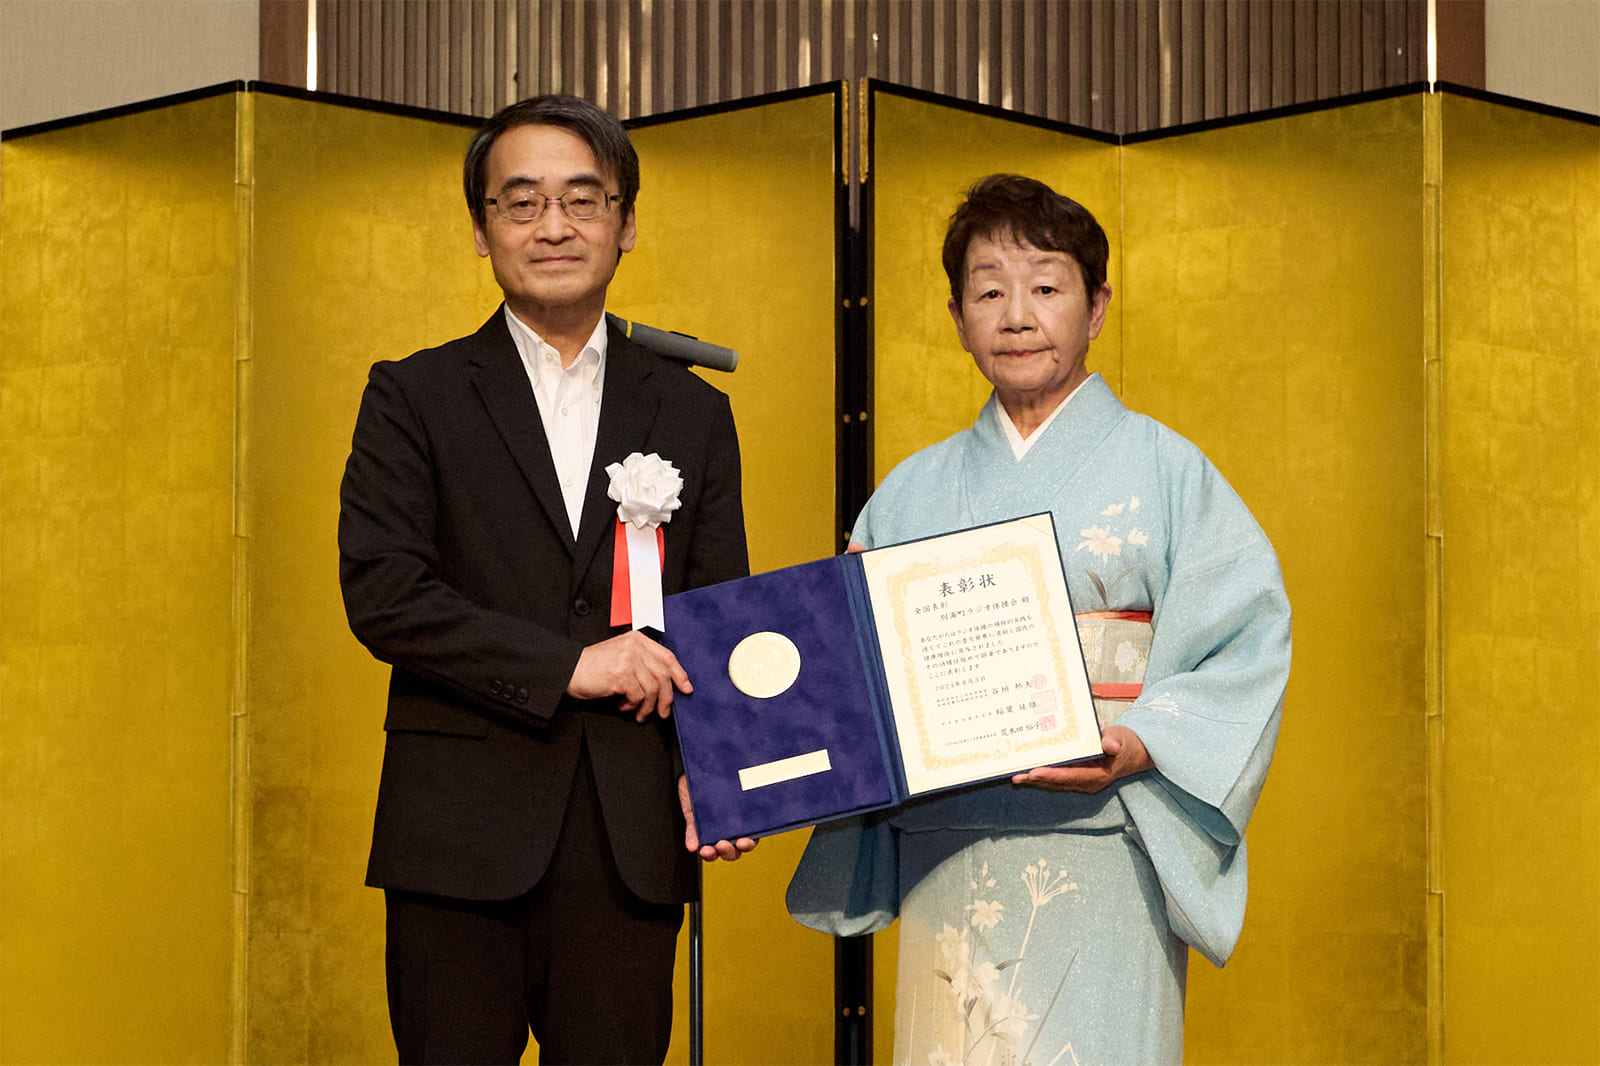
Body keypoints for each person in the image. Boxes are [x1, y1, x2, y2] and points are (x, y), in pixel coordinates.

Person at [787, 174, 1291, 1064]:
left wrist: (1139, 742)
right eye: (988, 292)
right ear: (956, 319)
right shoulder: (909, 492)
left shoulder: (1169, 471)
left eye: (1046, 287)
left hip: (1109, 838)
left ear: (1097, 307)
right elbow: (846, 667)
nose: (1017, 316)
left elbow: (1245, 641)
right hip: (948, 839)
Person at [339, 94, 754, 1065]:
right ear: (481, 228)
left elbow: (715, 613)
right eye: (521, 202)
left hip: (628, 840)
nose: (553, 226)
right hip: (455, 839)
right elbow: (386, 594)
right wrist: (572, 665)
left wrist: (726, 775)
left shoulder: (691, 411)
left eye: (581, 199)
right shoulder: (413, 394)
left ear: (626, 222)